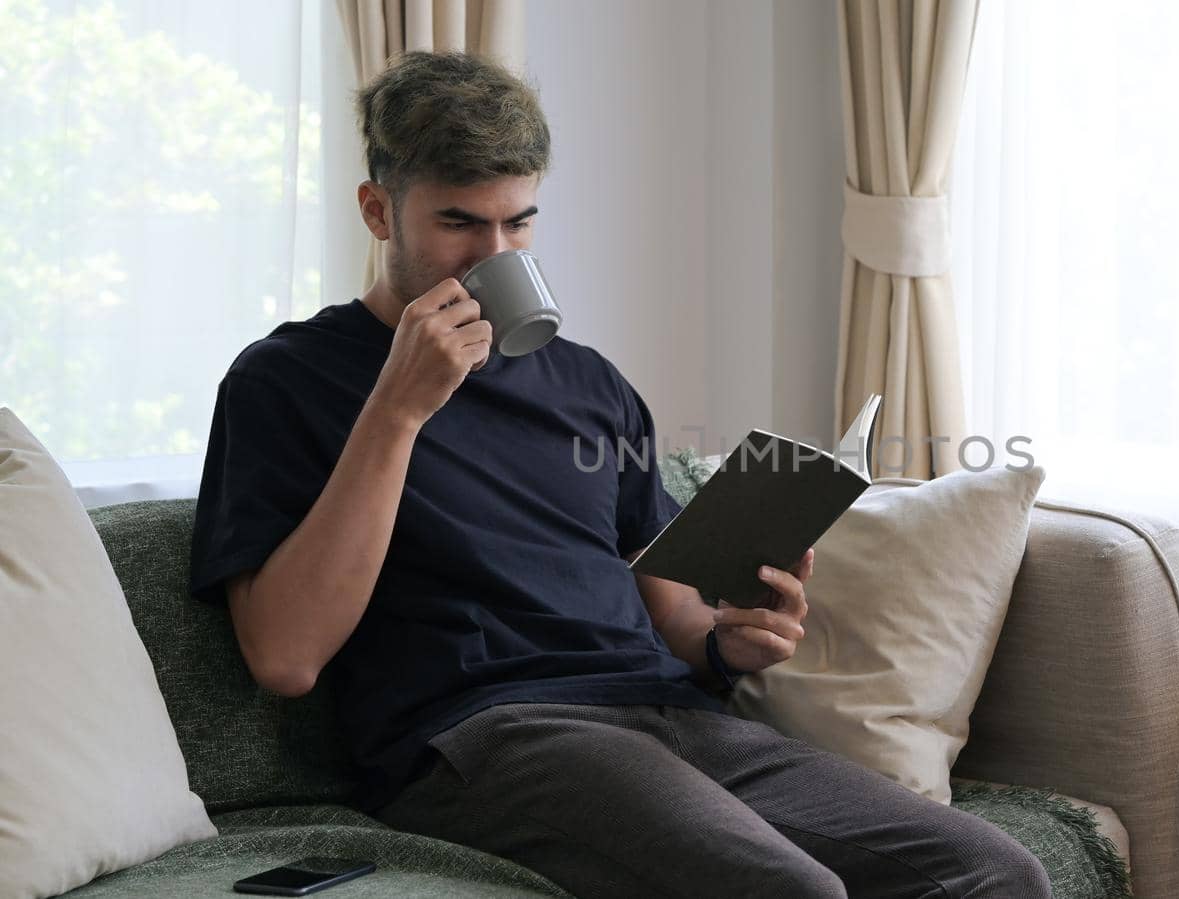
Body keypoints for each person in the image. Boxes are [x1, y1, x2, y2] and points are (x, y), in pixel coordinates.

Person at [189, 50, 1049, 899]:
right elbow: (285, 656)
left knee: (994, 871)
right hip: (491, 735)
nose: (494, 254)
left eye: (518, 223)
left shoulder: (589, 383)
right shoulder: (286, 381)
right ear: (379, 212)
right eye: (459, 223)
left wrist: (726, 642)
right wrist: (400, 409)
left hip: (672, 718)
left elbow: (668, 606)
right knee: (789, 889)